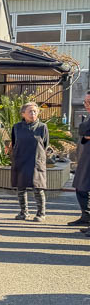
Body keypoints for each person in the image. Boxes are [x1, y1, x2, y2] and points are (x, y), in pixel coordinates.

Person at [9, 102, 50, 222]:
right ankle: (24, 212)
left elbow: (45, 144)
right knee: (21, 188)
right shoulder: (16, 127)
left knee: (38, 188)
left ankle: (41, 213)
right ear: (23, 113)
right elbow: (14, 142)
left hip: (36, 160)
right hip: (20, 159)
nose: (33, 113)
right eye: (30, 111)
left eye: (35, 111)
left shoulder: (42, 127)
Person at [69, 91, 90, 234]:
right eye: (85, 102)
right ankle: (86, 216)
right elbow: (84, 132)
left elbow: (85, 131)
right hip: (84, 158)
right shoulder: (87, 116)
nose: (86, 104)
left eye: (89, 102)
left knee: (85, 187)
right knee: (81, 187)